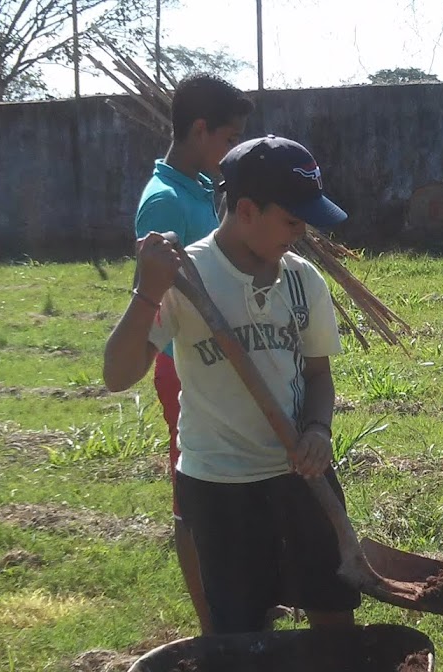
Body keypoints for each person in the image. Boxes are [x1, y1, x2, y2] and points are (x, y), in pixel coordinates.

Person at [106, 134, 359, 634]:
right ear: (246, 210)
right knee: (243, 633)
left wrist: (318, 430)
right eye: (291, 220)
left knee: (333, 615)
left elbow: (317, 374)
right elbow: (117, 375)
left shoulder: (304, 280)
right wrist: (146, 292)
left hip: (300, 477)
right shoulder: (186, 277)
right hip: (221, 487)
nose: (301, 232)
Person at [133, 73, 253, 634]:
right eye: (228, 138)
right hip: (184, 363)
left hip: (227, 355)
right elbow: (164, 303)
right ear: (200, 130)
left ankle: (242, 592)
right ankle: (213, 622)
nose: (230, 152)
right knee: (195, 486)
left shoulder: (203, 189)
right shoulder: (163, 203)